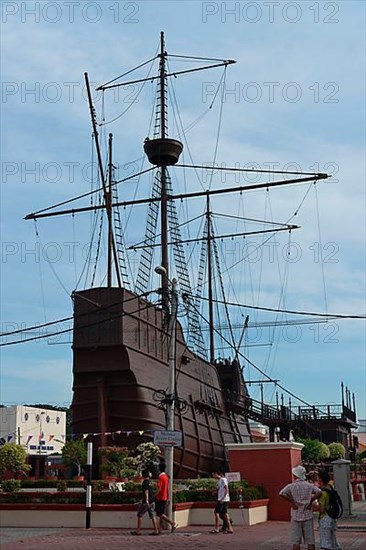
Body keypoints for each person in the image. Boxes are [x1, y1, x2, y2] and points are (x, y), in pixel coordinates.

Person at [279, 464, 322, 550]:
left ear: (295, 475)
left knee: (296, 542)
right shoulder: (309, 485)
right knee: (310, 542)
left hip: (296, 515)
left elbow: (281, 493)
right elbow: (319, 492)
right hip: (308, 514)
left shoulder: (291, 486)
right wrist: (311, 500)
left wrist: (292, 502)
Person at [316, 470, 341, 550]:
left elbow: (322, 509)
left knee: (325, 543)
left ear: (320, 480)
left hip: (325, 518)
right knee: (334, 541)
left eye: (318, 477)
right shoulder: (330, 488)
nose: (317, 479)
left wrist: (314, 505)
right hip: (332, 517)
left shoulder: (323, 494)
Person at [130, 469, 159, 536]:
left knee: (139, 515)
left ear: (142, 475)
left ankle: (138, 531)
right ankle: (156, 530)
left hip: (146, 502)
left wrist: (146, 500)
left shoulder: (145, 482)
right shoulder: (150, 482)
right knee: (152, 516)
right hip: (152, 501)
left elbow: (146, 491)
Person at [154, 462, 177, 533]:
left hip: (160, 497)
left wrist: (154, 495)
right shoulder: (166, 477)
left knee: (160, 514)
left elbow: (159, 488)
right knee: (160, 514)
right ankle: (160, 528)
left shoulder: (161, 477)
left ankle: (171, 523)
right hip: (164, 497)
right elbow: (167, 488)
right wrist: (168, 497)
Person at [210, 469, 234, 534]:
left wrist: (222, 498)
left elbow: (226, 489)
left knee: (216, 512)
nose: (213, 476)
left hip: (223, 499)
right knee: (224, 513)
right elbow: (219, 489)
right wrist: (215, 492)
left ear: (216, 473)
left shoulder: (223, 479)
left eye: (213, 475)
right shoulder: (219, 481)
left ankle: (216, 528)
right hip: (222, 499)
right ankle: (230, 528)